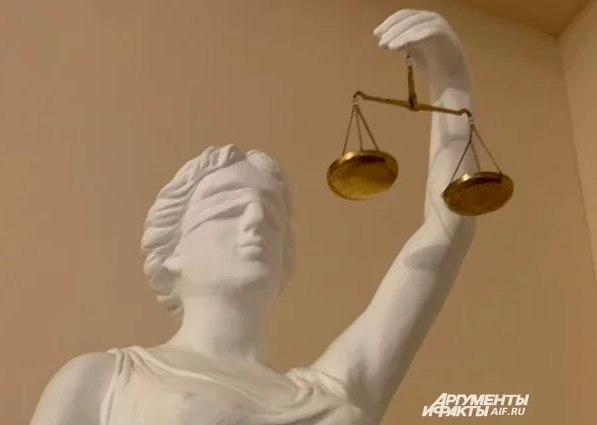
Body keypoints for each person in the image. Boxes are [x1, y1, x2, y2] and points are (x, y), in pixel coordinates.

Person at [30, 9, 477, 425]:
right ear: (172, 252)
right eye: (226, 208)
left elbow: (446, 231)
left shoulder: (332, 389)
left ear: (286, 259)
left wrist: (452, 82)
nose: (255, 221)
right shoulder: (103, 379)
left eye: (272, 216)